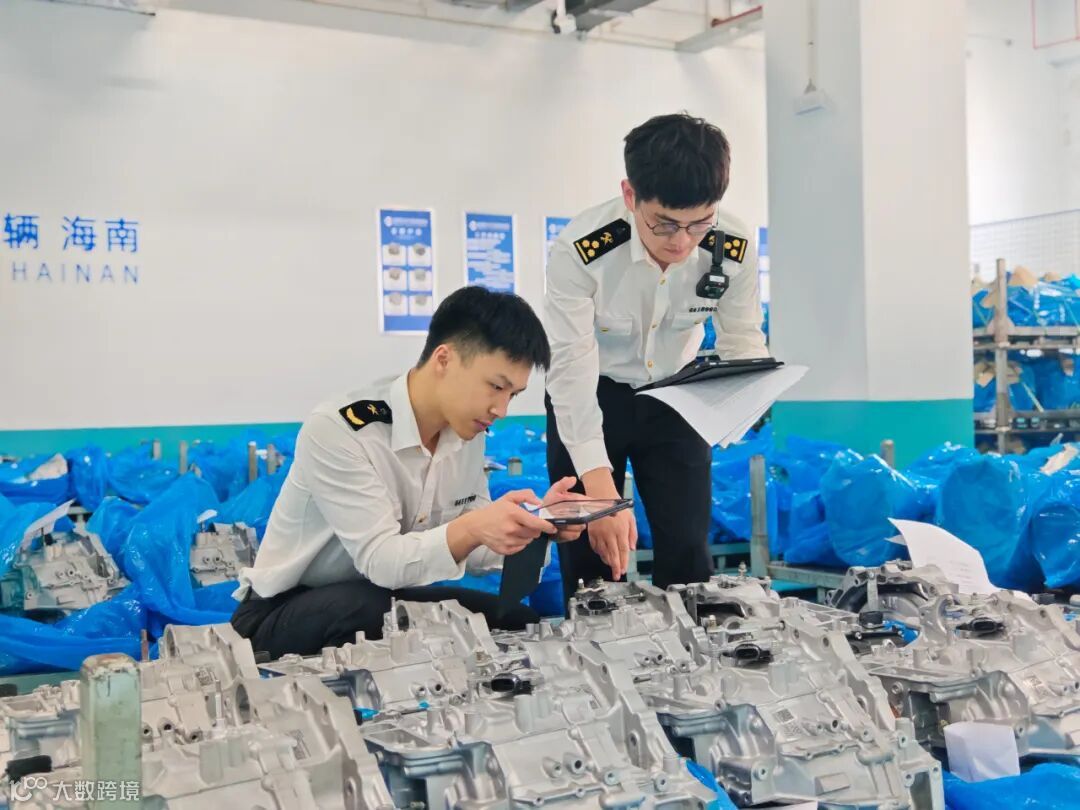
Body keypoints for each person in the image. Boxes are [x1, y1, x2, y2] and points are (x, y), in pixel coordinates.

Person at [232, 286, 584, 659]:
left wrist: (534, 527)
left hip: (381, 598)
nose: (501, 409)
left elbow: (476, 552)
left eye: (512, 395)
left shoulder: (466, 434)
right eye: (496, 387)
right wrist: (473, 527)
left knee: (514, 620)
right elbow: (382, 562)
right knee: (370, 610)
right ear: (444, 359)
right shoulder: (341, 430)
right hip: (280, 612)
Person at [543, 112, 768, 605]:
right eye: (664, 223)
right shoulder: (581, 251)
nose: (682, 241)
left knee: (688, 551)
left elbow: (742, 340)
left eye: (699, 223)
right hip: (593, 395)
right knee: (591, 555)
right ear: (631, 196)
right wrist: (601, 496)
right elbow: (571, 373)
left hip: (675, 395)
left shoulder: (732, 246)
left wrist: (741, 400)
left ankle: (692, 646)